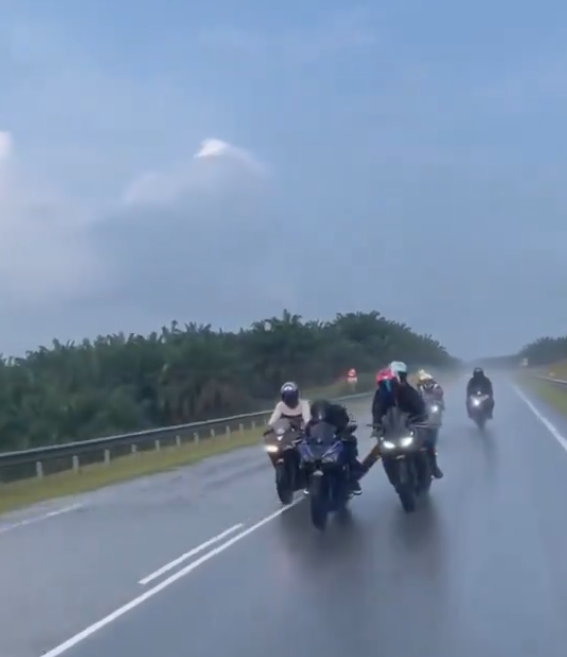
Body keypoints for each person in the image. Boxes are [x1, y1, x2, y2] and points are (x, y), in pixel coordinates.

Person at [372, 361, 443, 479]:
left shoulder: (408, 391)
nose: (386, 384)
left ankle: (433, 466)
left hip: (410, 427)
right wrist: (377, 424)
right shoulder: (380, 395)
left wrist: (420, 418)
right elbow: (376, 411)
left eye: (402, 375)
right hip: (391, 431)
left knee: (428, 441)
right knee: (380, 452)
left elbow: (420, 407)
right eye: (383, 383)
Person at [304, 398, 363, 495]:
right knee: (306, 459)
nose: (320, 416)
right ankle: (308, 482)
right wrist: (305, 440)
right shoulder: (312, 423)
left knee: (349, 452)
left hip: (337, 442)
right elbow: (307, 433)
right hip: (322, 446)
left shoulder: (338, 414)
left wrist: (345, 433)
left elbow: (348, 423)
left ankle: (353, 481)